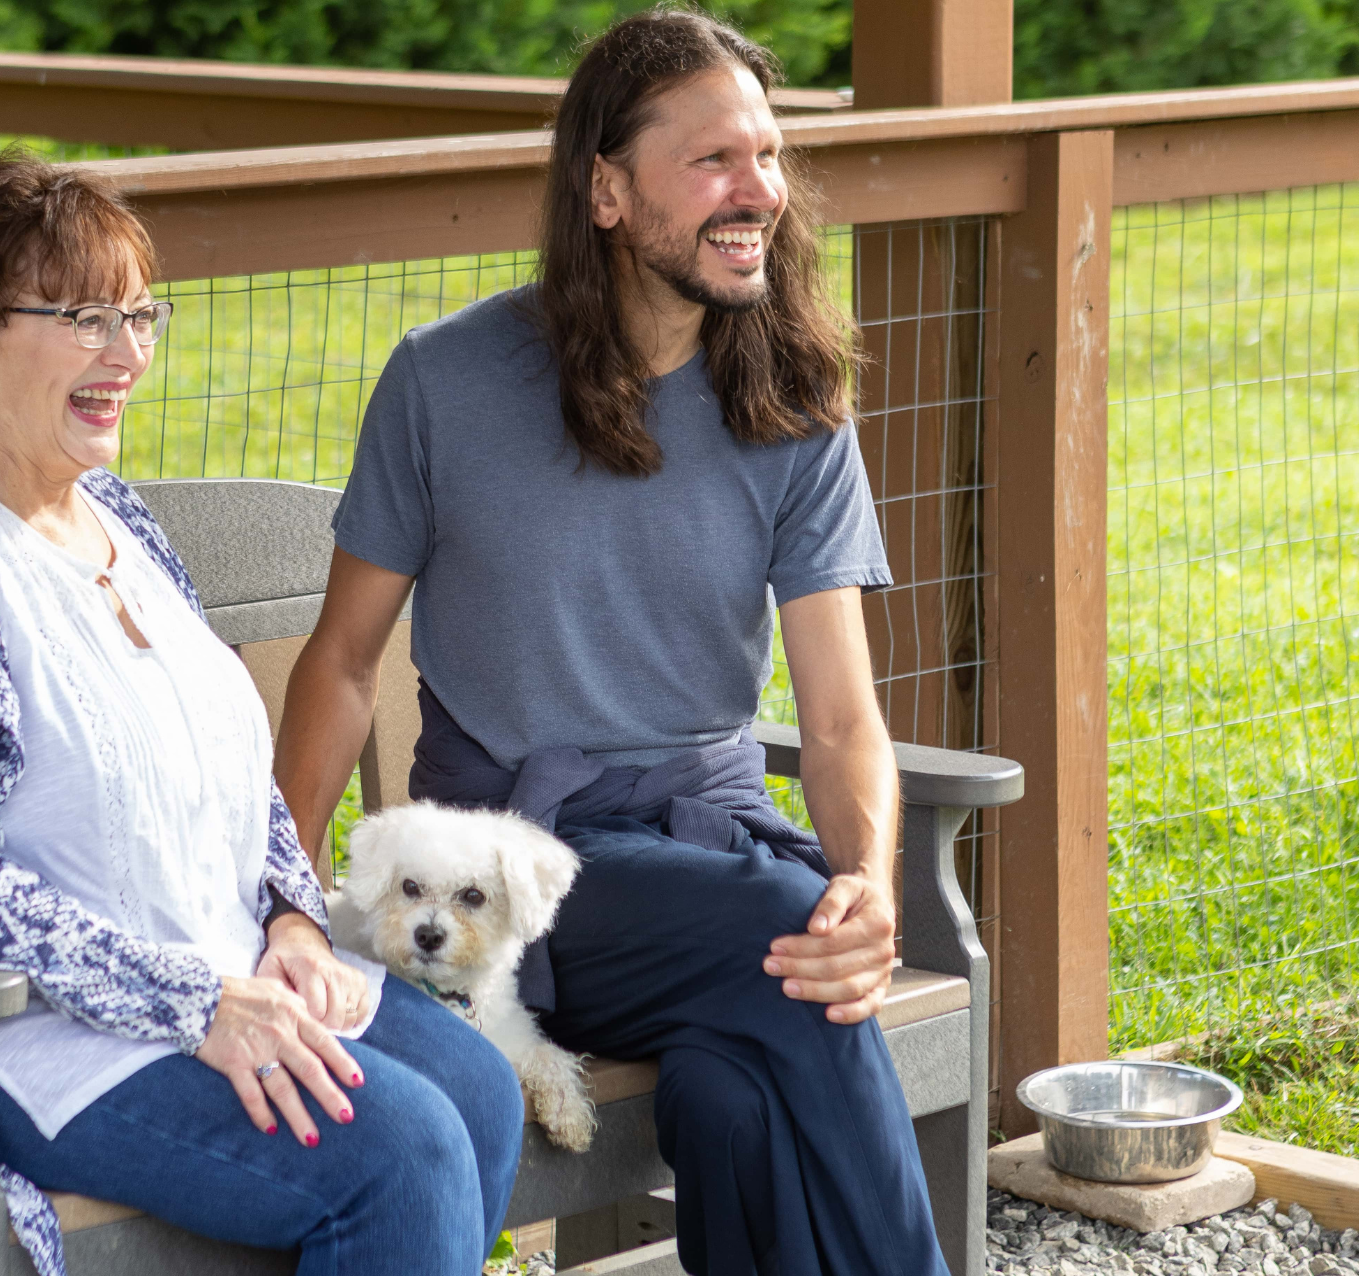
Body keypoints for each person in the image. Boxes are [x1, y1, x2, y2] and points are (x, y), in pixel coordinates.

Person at [274, 11, 948, 1276]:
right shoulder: (446, 381)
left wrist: (866, 887)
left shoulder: (795, 401)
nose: (759, 191)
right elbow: (344, 660)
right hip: (508, 883)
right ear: (604, 188)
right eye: (712, 162)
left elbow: (845, 717)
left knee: (734, 1093)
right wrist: (276, 900)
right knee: (779, 940)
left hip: (702, 856)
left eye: (769, 154)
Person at [0, 153, 522, 1276]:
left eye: (140, 316)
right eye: (85, 318)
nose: (128, 355)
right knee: (402, 1151)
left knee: (478, 1090)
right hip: (9, 1035)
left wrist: (286, 918)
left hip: (212, 967)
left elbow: (225, 768)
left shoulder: (114, 515)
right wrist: (192, 1000)